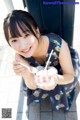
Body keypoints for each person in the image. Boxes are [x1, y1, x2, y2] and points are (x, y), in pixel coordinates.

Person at [3, 10, 79, 111]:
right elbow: (32, 86)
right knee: (29, 88)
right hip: (39, 77)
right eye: (14, 40)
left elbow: (69, 76)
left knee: (67, 84)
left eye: (26, 35)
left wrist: (55, 79)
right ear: (9, 43)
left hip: (61, 74)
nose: (22, 46)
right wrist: (27, 75)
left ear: (37, 32)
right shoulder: (19, 56)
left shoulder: (57, 44)